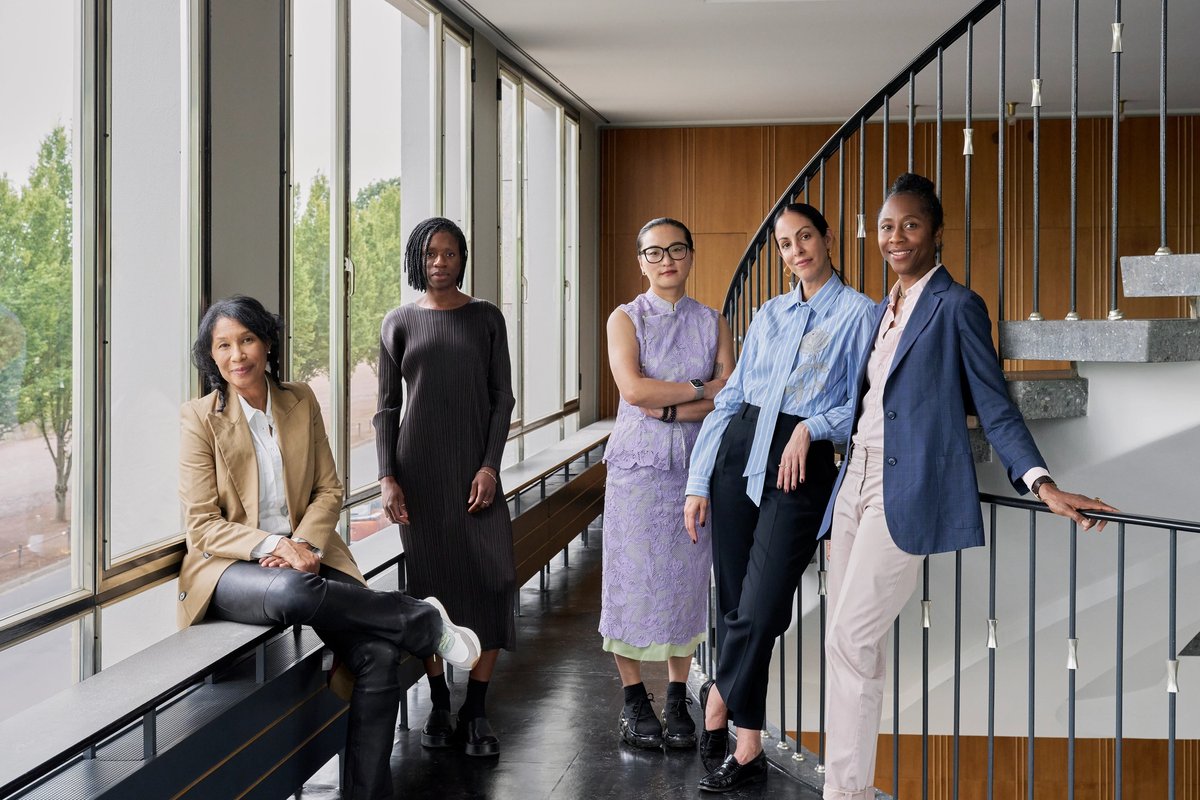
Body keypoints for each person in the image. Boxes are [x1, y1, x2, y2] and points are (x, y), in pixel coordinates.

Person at [819, 173, 1118, 800]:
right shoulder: (884, 308)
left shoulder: (957, 305)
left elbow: (995, 403)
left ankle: (841, 794)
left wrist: (1044, 484)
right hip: (853, 480)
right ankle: (852, 787)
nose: (895, 238)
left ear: (937, 235)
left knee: (851, 636)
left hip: (904, 489)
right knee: (850, 644)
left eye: (909, 226)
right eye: (885, 227)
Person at [178, 295, 481, 800]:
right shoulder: (200, 418)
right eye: (223, 346)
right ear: (211, 356)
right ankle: (420, 619)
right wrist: (274, 544)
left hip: (310, 554)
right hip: (231, 568)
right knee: (294, 593)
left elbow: (328, 489)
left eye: (247, 340)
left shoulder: (299, 400)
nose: (237, 356)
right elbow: (203, 527)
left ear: (268, 342)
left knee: (379, 657)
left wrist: (300, 543)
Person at [684, 203, 877, 792]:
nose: (797, 250)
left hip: (799, 466)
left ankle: (716, 695)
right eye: (786, 244)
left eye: (806, 237)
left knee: (763, 606)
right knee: (735, 605)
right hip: (738, 452)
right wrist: (698, 479)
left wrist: (810, 428)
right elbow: (732, 395)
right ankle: (746, 747)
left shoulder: (862, 314)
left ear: (827, 238)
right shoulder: (770, 312)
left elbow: (862, 406)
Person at [374, 217, 517, 758]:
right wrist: (388, 476)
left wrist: (489, 467)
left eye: (451, 253)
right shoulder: (399, 322)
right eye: (431, 253)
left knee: (494, 580)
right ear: (418, 258)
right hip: (420, 476)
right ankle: (438, 701)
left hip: (474, 472)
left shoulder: (486, 319)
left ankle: (475, 708)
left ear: (463, 258)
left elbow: (502, 398)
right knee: (430, 592)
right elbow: (387, 408)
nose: (440, 262)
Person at [601, 217, 735, 750]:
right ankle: (634, 700)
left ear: (691, 255)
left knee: (685, 583)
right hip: (636, 470)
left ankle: (679, 694)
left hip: (696, 471)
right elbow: (633, 390)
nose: (666, 261)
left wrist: (674, 404)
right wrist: (700, 390)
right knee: (629, 581)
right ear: (641, 262)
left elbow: (731, 393)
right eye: (654, 253)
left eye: (676, 250)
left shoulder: (713, 320)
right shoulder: (624, 318)